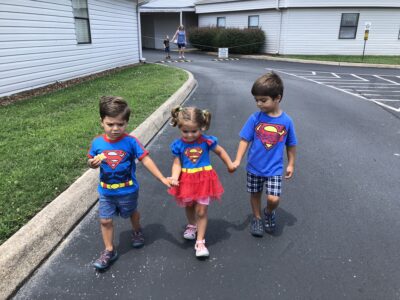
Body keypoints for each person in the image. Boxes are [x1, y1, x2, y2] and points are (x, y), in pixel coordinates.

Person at [88, 96, 171, 270]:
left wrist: (162, 178)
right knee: (105, 221)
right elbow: (91, 160)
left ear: (126, 123)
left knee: (131, 212)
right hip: (106, 192)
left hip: (128, 191)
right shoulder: (97, 143)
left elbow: (146, 160)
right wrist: (92, 163)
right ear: (102, 122)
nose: (116, 128)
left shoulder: (131, 142)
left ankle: (136, 230)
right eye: (110, 124)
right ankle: (109, 250)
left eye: (121, 124)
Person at [233, 72, 297, 237]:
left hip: (274, 169)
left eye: (263, 100)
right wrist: (238, 160)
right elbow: (244, 140)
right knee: (255, 194)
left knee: (273, 199)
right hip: (254, 167)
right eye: (256, 100)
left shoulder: (286, 121)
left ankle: (268, 212)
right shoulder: (255, 118)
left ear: (278, 98)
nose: (258, 104)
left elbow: (291, 144)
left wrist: (291, 164)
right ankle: (257, 217)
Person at [168, 106, 235, 258]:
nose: (190, 135)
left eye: (194, 131)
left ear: (202, 127)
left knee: (202, 210)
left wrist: (229, 164)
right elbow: (177, 163)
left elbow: (220, 151)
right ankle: (192, 225)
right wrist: (174, 177)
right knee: (189, 205)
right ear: (180, 128)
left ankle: (200, 242)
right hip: (186, 179)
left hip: (204, 179)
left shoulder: (206, 141)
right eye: (185, 131)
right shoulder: (178, 145)